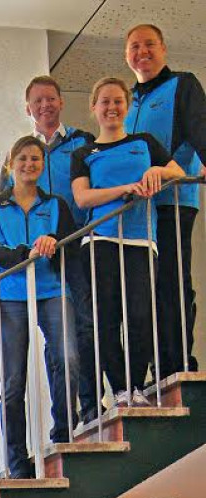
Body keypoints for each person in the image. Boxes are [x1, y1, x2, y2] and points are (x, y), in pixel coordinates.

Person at [71, 78, 184, 406]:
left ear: (128, 105)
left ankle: (136, 385)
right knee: (106, 318)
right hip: (101, 240)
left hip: (141, 240)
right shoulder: (84, 153)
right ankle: (120, 389)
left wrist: (156, 173)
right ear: (94, 107)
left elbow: (177, 171)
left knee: (140, 316)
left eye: (118, 101)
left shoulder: (144, 142)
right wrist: (124, 190)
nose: (112, 107)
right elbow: (82, 198)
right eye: (105, 102)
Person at [0, 77, 99, 422]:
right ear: (28, 108)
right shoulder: (16, 155)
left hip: (77, 248)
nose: (45, 105)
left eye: (51, 98)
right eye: (38, 101)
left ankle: (89, 405)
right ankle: (65, 419)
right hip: (36, 263)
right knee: (54, 345)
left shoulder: (82, 142)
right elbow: (3, 206)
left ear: (61, 101)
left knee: (84, 327)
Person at [0, 137, 80, 478]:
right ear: (11, 164)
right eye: (22, 159)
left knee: (67, 358)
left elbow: (70, 247)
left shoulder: (56, 205)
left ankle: (64, 431)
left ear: (43, 164)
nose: (29, 164)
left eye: (35, 159)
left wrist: (54, 243)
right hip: (11, 296)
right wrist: (27, 253)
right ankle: (17, 460)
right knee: (13, 382)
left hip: (52, 290)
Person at [125, 23, 206, 375]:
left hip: (173, 203)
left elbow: (200, 130)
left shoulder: (182, 85)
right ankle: (156, 366)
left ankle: (178, 363)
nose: (142, 52)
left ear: (163, 48)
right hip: (138, 213)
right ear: (126, 56)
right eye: (134, 46)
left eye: (149, 44)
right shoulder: (129, 101)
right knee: (146, 291)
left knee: (172, 283)